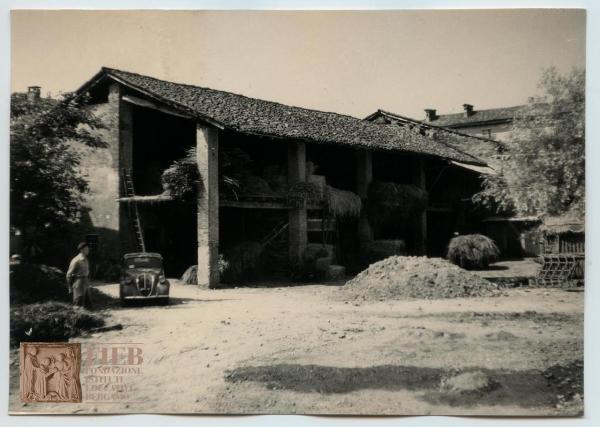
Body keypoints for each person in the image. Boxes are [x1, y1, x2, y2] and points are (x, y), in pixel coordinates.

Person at [66, 242, 93, 308]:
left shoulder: (86, 259)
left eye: (88, 249)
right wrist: (70, 287)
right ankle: (78, 315)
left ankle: (87, 316)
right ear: (81, 250)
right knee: (79, 301)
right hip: (79, 282)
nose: (88, 250)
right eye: (86, 249)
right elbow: (68, 274)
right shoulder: (76, 260)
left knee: (88, 302)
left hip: (86, 281)